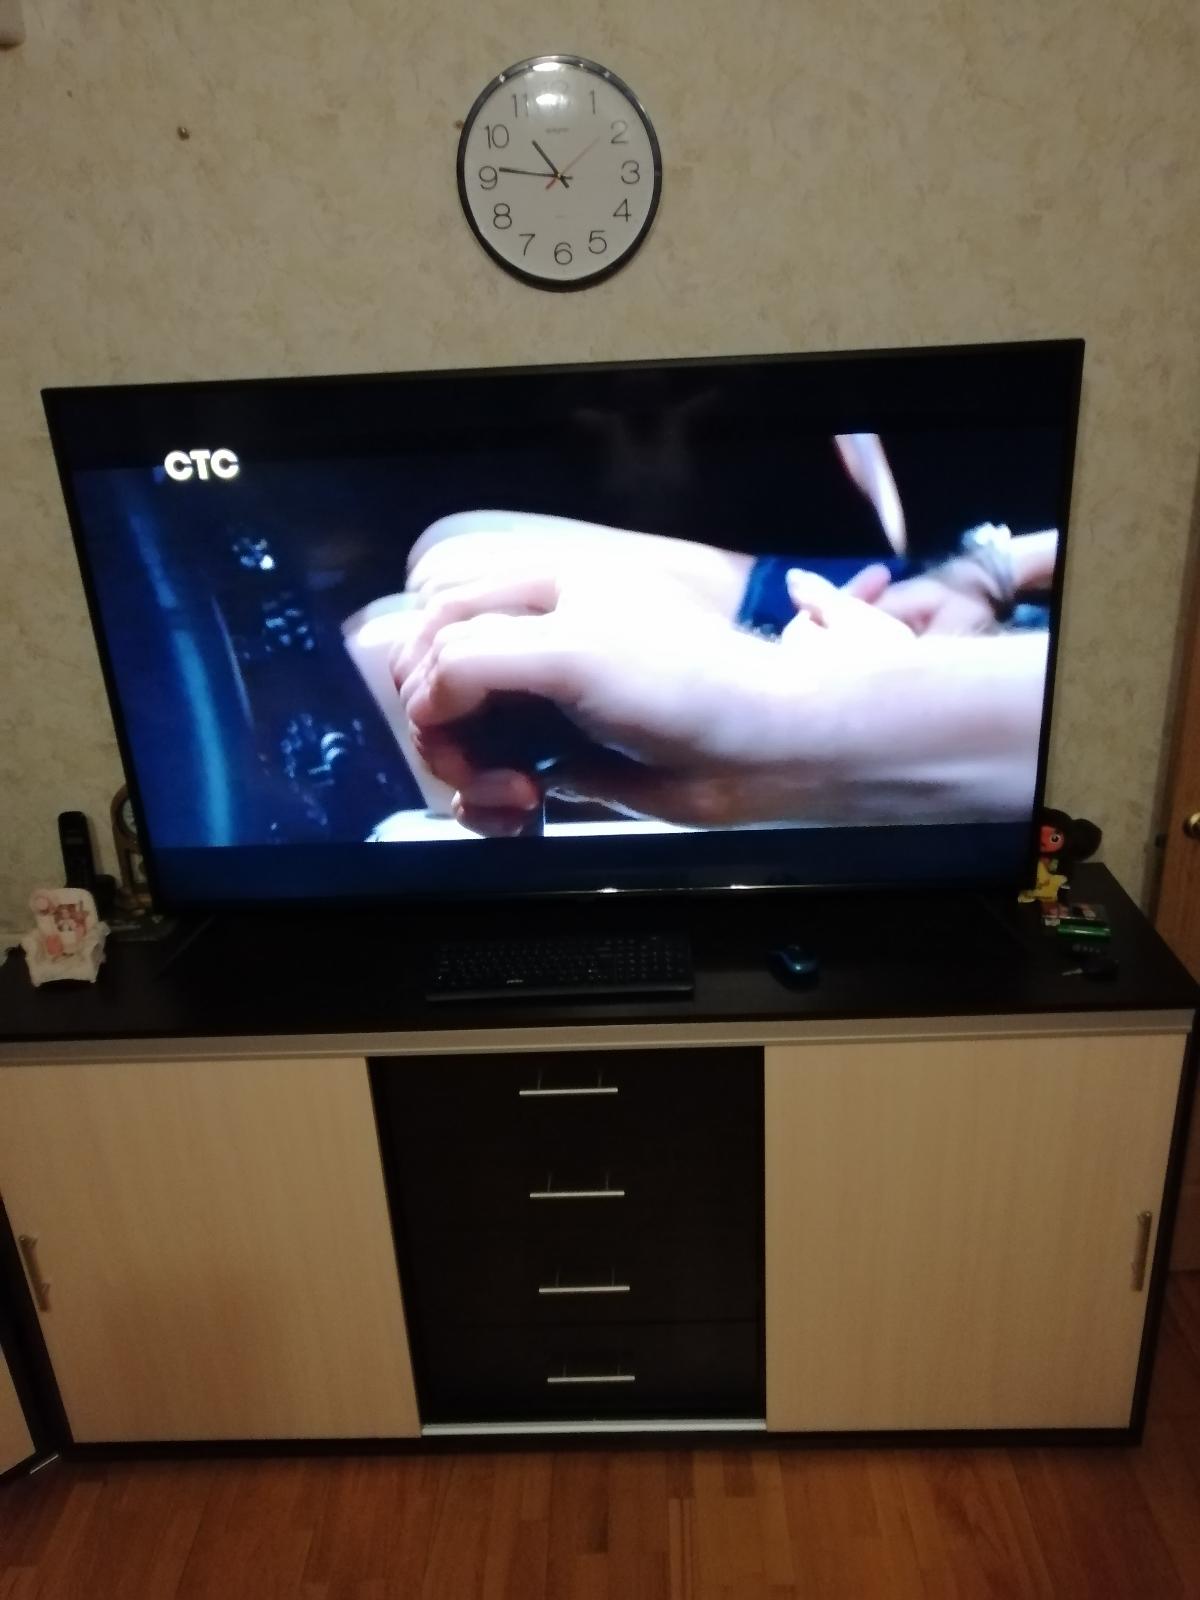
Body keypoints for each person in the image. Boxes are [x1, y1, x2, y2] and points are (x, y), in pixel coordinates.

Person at [393, 535, 1049, 838]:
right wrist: (988, 569)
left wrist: (797, 704)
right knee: (454, 553)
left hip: (988, 652)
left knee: (438, 606)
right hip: (977, 599)